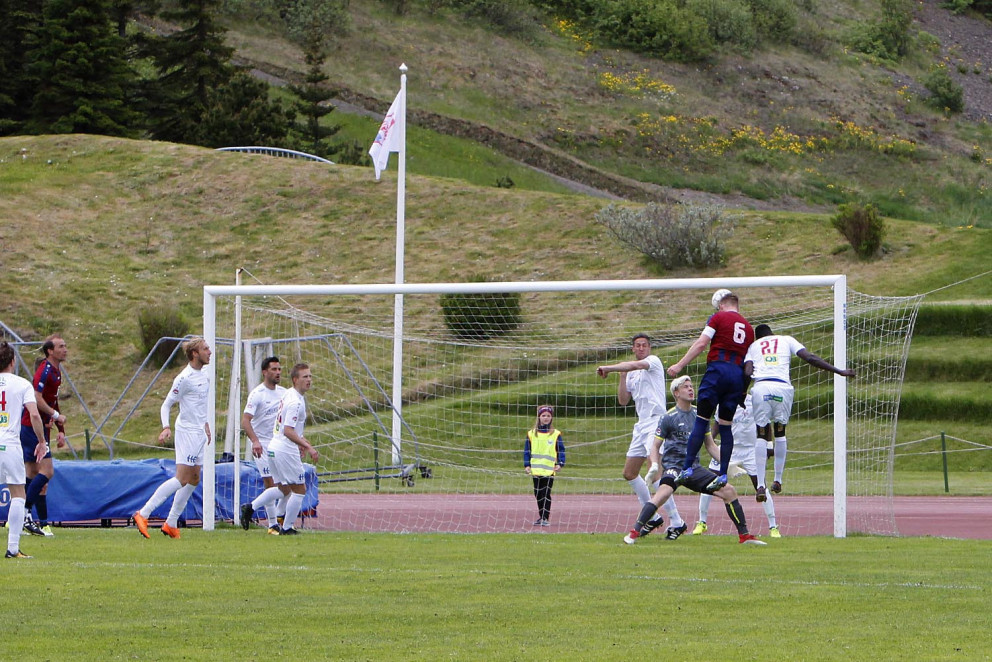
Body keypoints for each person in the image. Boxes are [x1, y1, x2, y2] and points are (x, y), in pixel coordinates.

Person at [623, 375, 765, 545]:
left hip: (694, 468)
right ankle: (633, 533)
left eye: (691, 386)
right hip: (674, 467)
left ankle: (744, 536)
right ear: (676, 393)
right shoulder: (668, 417)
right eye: (686, 387)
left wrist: (728, 465)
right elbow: (655, 446)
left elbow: (710, 446)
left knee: (729, 491)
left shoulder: (700, 415)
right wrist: (654, 464)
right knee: (662, 494)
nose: (691, 389)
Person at [744, 323, 856, 497]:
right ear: (772, 332)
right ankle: (778, 480)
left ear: (758, 337)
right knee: (780, 432)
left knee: (761, 433)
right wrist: (838, 371)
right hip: (782, 388)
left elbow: (747, 371)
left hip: (761, 387)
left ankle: (760, 485)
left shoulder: (753, 346)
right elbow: (809, 357)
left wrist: (741, 392)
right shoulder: (786, 340)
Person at [597, 333, 685, 538]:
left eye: (644, 345)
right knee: (629, 473)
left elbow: (634, 365)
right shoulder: (631, 372)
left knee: (654, 471)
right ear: (633, 349)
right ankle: (653, 516)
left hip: (656, 421)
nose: (641, 348)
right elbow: (623, 400)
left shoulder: (652, 362)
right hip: (641, 424)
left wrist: (610, 368)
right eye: (637, 346)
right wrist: (621, 375)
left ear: (649, 348)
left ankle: (676, 520)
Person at [667, 289, 754, 492]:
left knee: (702, 420)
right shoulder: (749, 328)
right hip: (736, 376)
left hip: (718, 370)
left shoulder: (718, 317)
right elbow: (749, 363)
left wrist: (679, 366)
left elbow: (701, 344)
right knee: (725, 426)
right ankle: (723, 473)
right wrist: (743, 390)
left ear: (721, 305)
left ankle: (687, 468)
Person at [133, 337, 212, 540]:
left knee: (194, 479)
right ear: (194, 353)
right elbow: (166, 404)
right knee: (182, 478)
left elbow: (198, 405)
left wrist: (205, 425)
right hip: (186, 432)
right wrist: (165, 427)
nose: (209, 352)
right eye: (205, 349)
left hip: (198, 432)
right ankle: (144, 513)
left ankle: (171, 523)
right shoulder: (183, 378)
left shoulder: (205, 376)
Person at [692, 394, 781, 538]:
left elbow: (765, 424)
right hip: (728, 449)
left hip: (751, 450)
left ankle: (773, 526)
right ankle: (702, 522)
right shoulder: (723, 401)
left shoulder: (755, 401)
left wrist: (769, 444)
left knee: (760, 486)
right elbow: (716, 426)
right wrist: (709, 442)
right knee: (708, 482)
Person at [1, 341, 49, 558]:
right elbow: (36, 415)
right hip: (9, 443)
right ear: (13, 361)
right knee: (18, 493)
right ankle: (12, 549)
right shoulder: (21, 384)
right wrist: (42, 441)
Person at [20, 334, 69, 537]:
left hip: (42, 426)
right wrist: (56, 415)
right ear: (50, 351)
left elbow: (52, 401)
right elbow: (37, 398)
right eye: (61, 346)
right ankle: (24, 515)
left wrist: (61, 430)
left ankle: (30, 519)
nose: (65, 349)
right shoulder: (44, 370)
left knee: (32, 473)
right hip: (32, 426)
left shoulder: (57, 372)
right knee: (47, 471)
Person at [267, 363, 319, 535]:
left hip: (276, 445)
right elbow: (288, 430)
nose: (309, 380)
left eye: (310, 376)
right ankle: (287, 527)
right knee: (299, 489)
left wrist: (301, 442)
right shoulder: (296, 402)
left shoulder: (290, 394)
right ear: (295, 379)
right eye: (305, 377)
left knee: (285, 488)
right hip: (284, 447)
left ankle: (254, 508)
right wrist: (307, 446)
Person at [240, 357, 287, 534]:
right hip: (263, 445)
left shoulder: (284, 393)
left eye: (279, 369)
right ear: (265, 372)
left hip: (279, 444)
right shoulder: (257, 394)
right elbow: (246, 421)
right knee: (271, 483)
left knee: (288, 485)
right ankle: (273, 524)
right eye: (274, 369)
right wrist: (255, 441)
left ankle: (254, 509)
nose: (278, 373)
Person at [524, 405, 565, 527]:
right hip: (536, 470)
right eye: (543, 415)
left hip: (549, 470)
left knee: (545, 493)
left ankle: (545, 517)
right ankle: (541, 515)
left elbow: (561, 450)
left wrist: (560, 463)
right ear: (539, 417)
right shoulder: (531, 434)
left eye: (548, 415)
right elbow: (527, 450)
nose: (546, 418)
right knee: (537, 493)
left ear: (551, 418)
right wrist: (527, 465)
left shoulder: (555, 434)